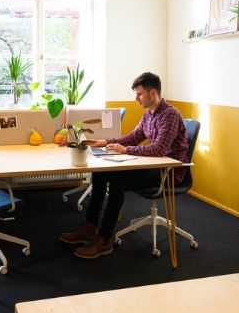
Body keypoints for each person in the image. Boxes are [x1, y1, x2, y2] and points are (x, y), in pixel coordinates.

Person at [59, 72, 189, 259]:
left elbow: (159, 149)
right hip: (153, 165)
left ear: (153, 93)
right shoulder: (148, 115)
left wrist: (125, 150)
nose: (136, 98)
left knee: (118, 181)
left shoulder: (170, 115)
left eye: (139, 94)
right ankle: (89, 228)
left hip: (168, 172)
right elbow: (134, 137)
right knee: (100, 173)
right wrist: (106, 142)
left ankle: (104, 239)